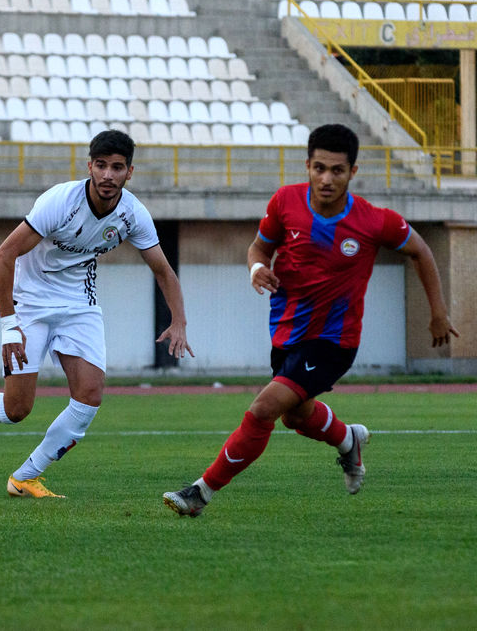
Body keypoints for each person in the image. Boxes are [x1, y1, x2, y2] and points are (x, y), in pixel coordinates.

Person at [163, 124, 460, 517]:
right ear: (307, 166)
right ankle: (348, 440)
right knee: (296, 416)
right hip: (287, 334)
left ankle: (200, 493)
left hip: (334, 341)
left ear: (353, 172)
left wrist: (438, 312)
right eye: (319, 168)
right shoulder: (285, 202)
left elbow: (421, 250)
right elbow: (259, 248)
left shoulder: (374, 221)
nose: (326, 179)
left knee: (263, 409)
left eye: (337, 170)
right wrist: (256, 269)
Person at [0, 129, 194, 498]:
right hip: (30, 303)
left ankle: (24, 477)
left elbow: (163, 270)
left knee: (90, 395)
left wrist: (179, 322)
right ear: (89, 166)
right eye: (101, 165)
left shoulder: (132, 214)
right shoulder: (60, 202)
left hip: (80, 305)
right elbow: (3, 256)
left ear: (129, 172)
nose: (108, 175)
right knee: (17, 410)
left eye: (117, 167)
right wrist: (9, 327)